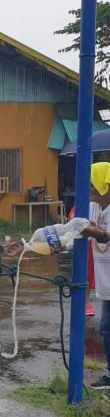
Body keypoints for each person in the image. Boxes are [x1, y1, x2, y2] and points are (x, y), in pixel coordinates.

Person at [85, 162, 110, 391]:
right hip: (106, 282)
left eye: (93, 183)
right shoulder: (94, 207)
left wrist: (97, 232)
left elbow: (103, 236)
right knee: (105, 328)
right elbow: (78, 221)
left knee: (106, 327)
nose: (89, 188)